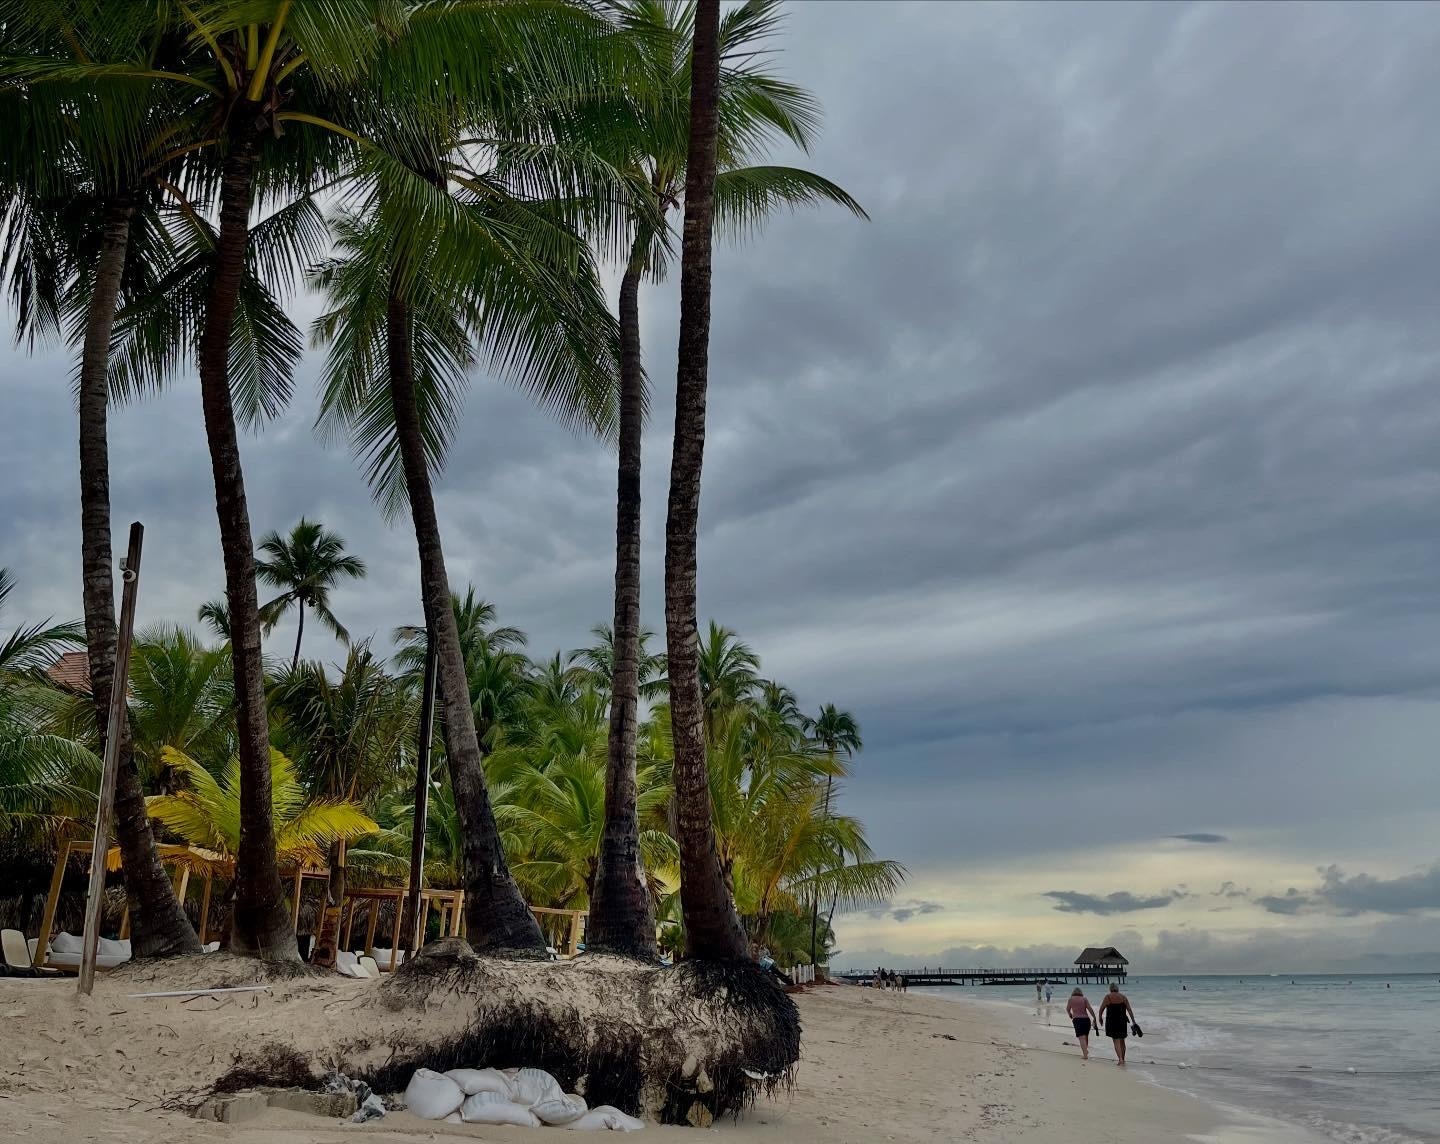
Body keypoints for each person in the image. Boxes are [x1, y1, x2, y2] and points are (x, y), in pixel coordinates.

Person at [1096, 983, 1136, 1065]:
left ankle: (1120, 1059)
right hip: (1122, 1021)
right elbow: (1129, 1010)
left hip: (1112, 1021)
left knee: (1116, 1040)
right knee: (1122, 1041)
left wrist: (1100, 1019)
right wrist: (1133, 1021)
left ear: (1110, 989)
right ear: (1117, 989)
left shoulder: (1108, 997)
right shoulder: (1123, 997)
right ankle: (1123, 1059)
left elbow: (1101, 1009)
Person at [1066, 988, 1098, 1060]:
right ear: (1081, 992)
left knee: (1081, 1037)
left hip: (1077, 1020)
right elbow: (1089, 1008)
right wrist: (1094, 1017)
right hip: (1086, 1020)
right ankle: (1085, 1050)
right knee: (1085, 1036)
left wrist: (1070, 1014)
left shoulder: (1071, 999)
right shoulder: (1084, 999)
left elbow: (1067, 1009)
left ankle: (1085, 1054)